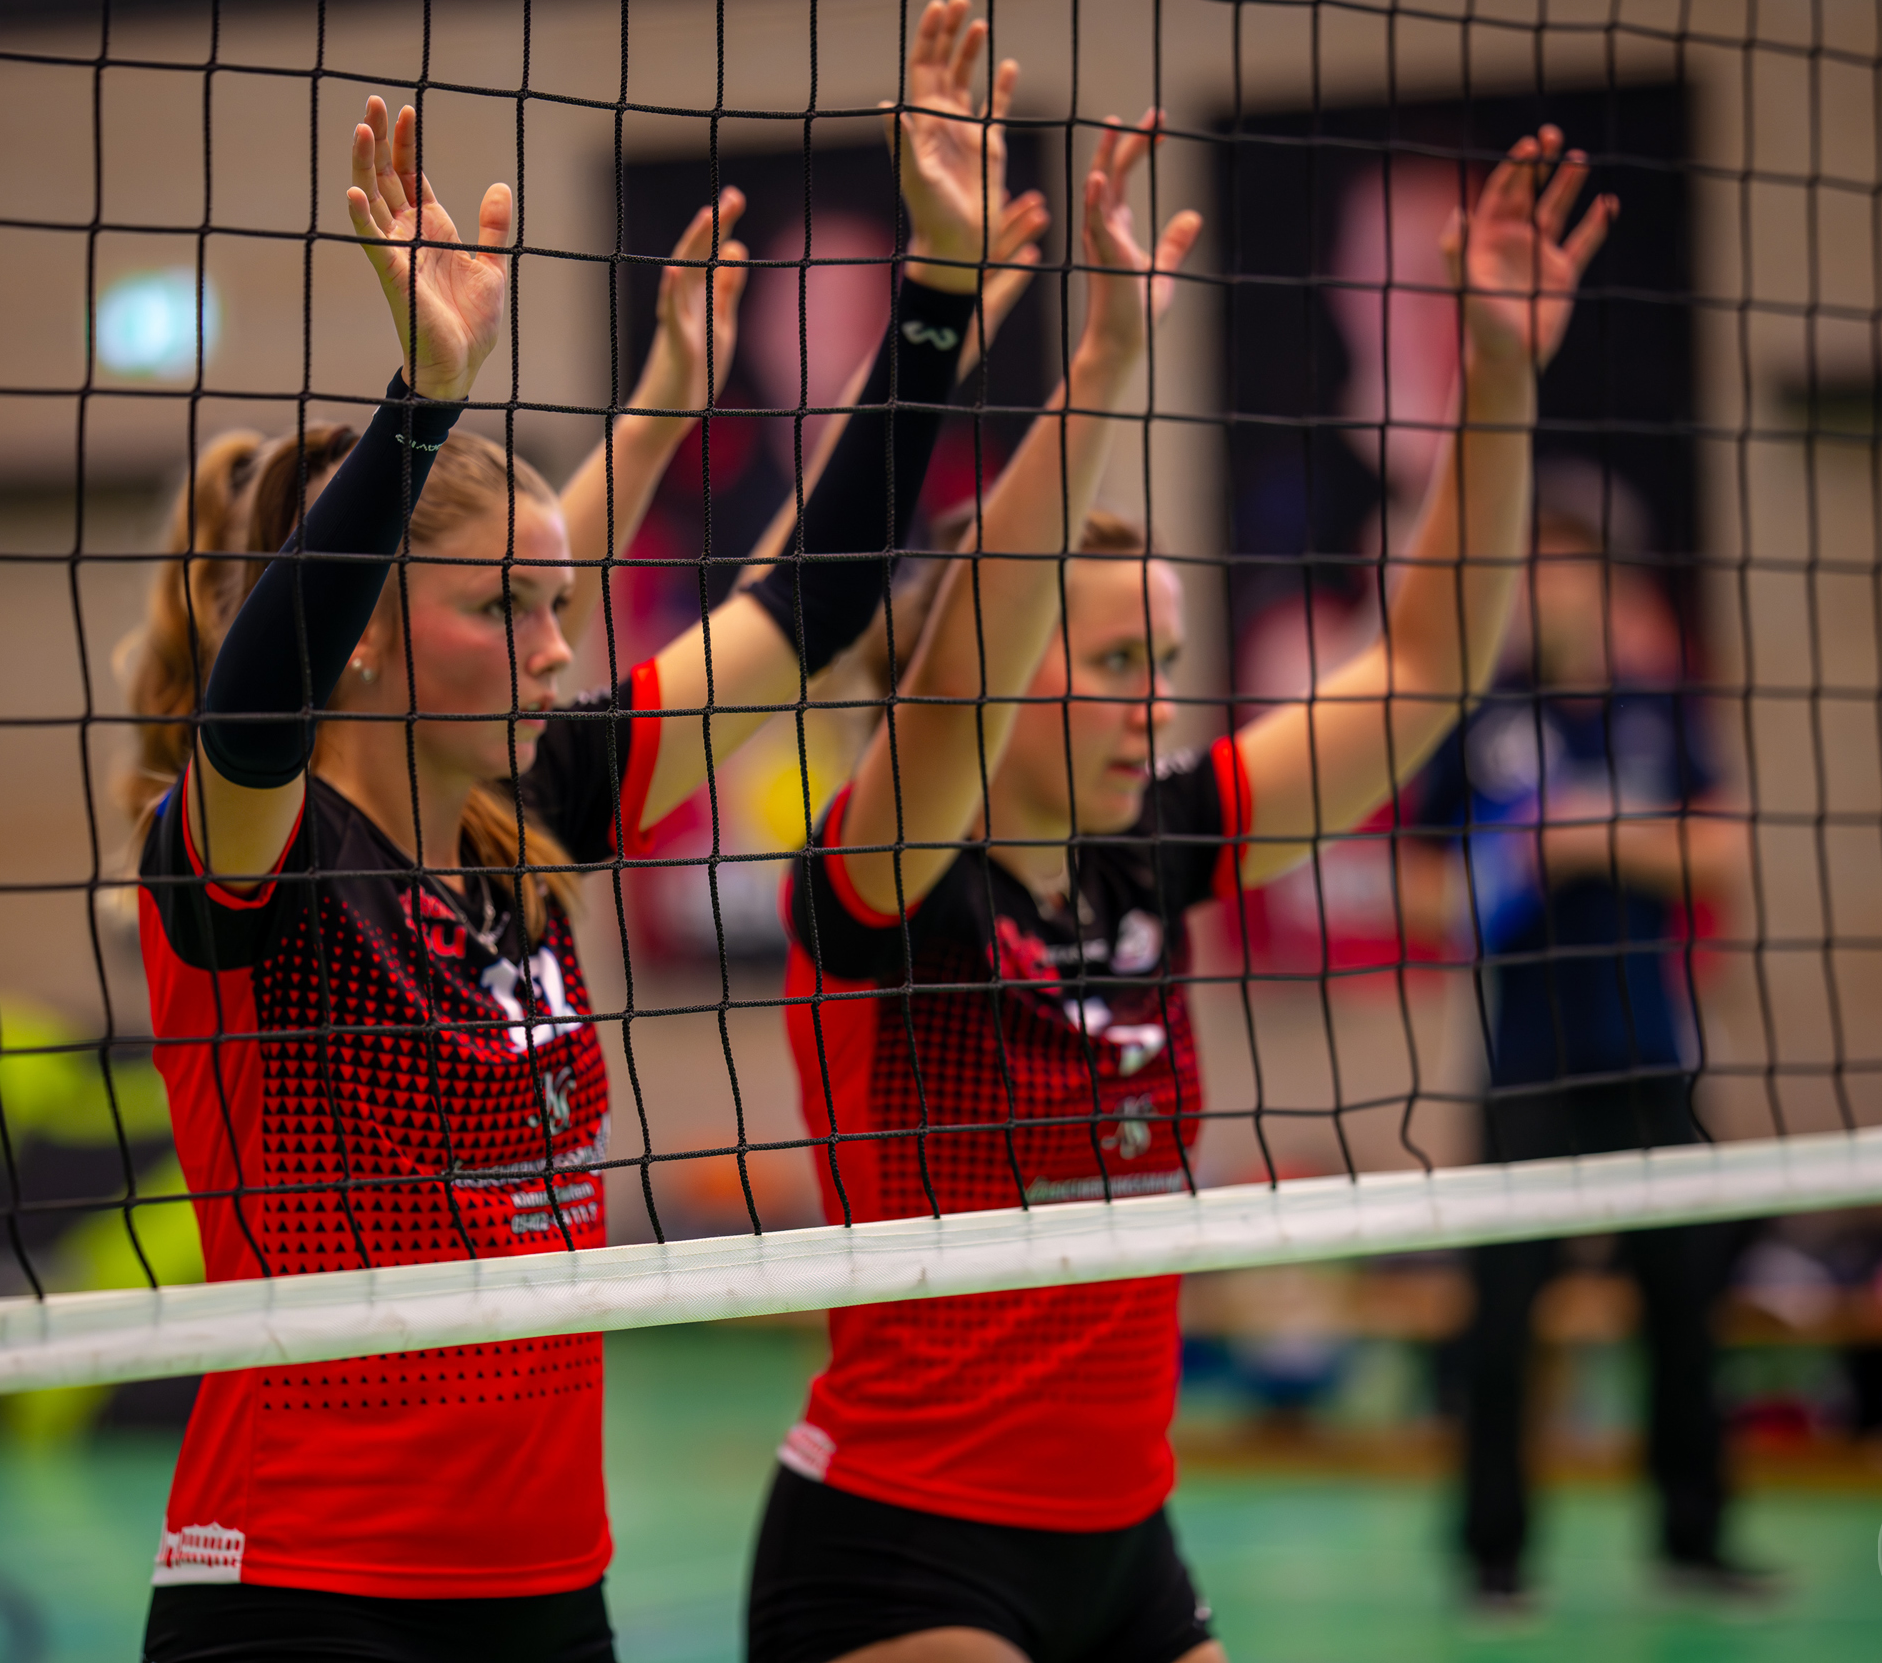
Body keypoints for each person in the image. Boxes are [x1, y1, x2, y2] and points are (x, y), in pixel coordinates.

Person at [126, 12, 1046, 1653]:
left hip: (552, 1591)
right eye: (505, 608)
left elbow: (814, 604)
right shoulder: (256, 864)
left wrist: (941, 298)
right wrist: (428, 398)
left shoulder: (530, 820)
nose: (561, 649)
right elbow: (251, 707)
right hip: (308, 1592)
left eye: (561, 605)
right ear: (366, 638)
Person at [750, 125, 1614, 1663]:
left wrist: (1497, 376)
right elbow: (949, 694)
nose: (1157, 699)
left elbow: (1420, 671)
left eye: (1162, 659)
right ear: (1010, 675)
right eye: (1110, 665)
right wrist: (1107, 359)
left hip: (1127, 1539)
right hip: (907, 1547)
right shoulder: (887, 871)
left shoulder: (1156, 840)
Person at [1418, 473, 1756, 1609]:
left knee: (1686, 1308)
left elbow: (1721, 855)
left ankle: (1695, 1539)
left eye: (1562, 559)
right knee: (1502, 1323)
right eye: (1527, 560)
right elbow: (1417, 887)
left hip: (1650, 1057)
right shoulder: (1479, 717)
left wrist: (1597, 837)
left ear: (1607, 577)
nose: (1539, 582)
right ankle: (1494, 1557)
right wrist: (1507, 864)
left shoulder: (1658, 707)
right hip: (1525, 1069)